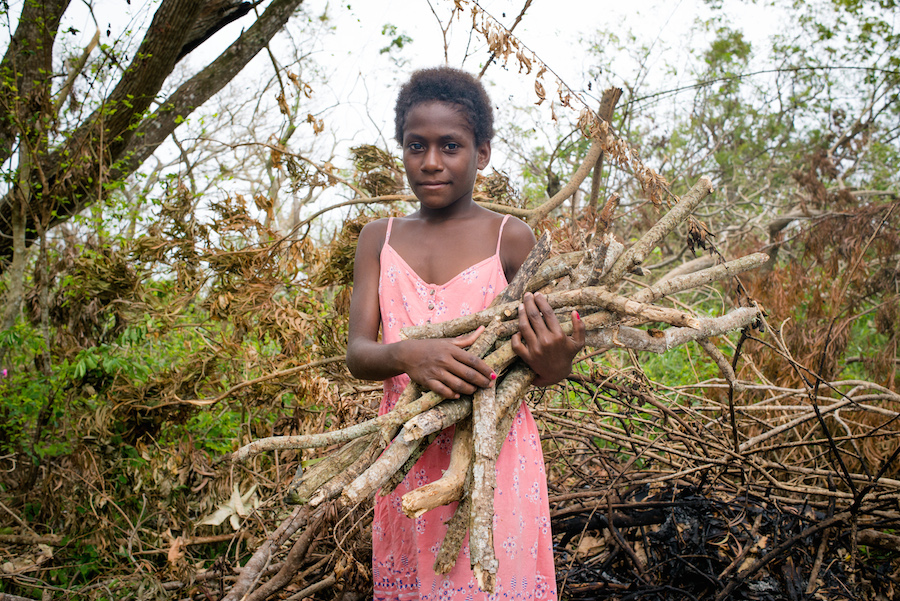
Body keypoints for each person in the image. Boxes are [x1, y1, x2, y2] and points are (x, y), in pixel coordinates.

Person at [347, 66, 585, 601]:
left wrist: (555, 359)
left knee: (489, 582)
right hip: (407, 450)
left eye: (450, 146)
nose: (431, 162)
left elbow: (549, 368)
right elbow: (358, 355)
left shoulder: (512, 238)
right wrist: (408, 353)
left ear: (481, 154)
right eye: (416, 146)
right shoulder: (376, 240)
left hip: (494, 451)